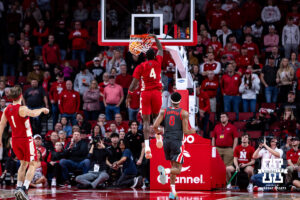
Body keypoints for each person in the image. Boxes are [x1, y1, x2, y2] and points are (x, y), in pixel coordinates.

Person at [0, 85, 49, 200]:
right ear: (21, 95)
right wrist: (43, 109)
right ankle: (24, 188)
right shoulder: (22, 109)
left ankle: (18, 188)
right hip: (26, 140)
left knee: (23, 164)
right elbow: (33, 113)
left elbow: (1, 125)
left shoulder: (7, 109)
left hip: (15, 140)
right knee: (33, 163)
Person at [153, 92, 196, 200]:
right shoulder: (184, 113)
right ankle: (165, 171)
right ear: (180, 101)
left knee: (173, 167)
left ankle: (172, 192)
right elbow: (186, 131)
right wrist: (193, 131)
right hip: (177, 142)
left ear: (171, 100)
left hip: (166, 141)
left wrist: (159, 133)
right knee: (178, 170)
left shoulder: (164, 111)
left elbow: (155, 126)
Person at [126, 34, 163, 159]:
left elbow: (133, 84)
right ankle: (158, 136)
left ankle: (147, 146)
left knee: (146, 121)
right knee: (156, 117)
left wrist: (129, 96)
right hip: (157, 93)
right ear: (155, 56)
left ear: (145, 57)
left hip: (146, 93)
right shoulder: (158, 61)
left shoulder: (140, 66)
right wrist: (155, 39)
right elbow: (161, 49)